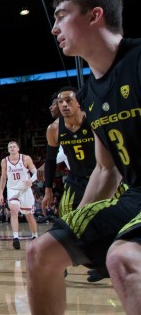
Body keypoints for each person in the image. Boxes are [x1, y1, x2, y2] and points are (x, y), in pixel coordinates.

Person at [0, 0, 141, 315]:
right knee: (42, 251)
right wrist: (74, 226)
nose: (53, 27)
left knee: (124, 258)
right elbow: (106, 170)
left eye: (61, 16)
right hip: (132, 194)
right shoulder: (90, 91)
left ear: (95, 16)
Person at [42, 86, 125, 282]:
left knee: (117, 220)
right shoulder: (54, 129)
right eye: (60, 101)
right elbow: (50, 161)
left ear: (79, 102)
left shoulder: (94, 121)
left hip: (105, 175)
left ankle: (107, 265)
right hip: (77, 179)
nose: (64, 104)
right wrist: (48, 190)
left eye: (69, 100)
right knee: (65, 221)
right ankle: (60, 263)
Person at [0, 141, 39, 250]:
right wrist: (1, 193)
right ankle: (16, 238)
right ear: (8, 150)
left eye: (14, 146)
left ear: (18, 148)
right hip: (12, 189)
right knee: (14, 211)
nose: (12, 148)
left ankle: (35, 236)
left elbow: (36, 172)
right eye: (10, 147)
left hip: (25, 190)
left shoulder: (26, 158)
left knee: (29, 215)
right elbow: (3, 177)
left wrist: (31, 180)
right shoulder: (4, 161)